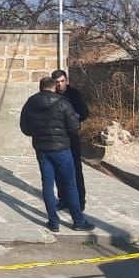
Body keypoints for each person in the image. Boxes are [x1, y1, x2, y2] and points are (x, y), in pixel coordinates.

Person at [20, 77, 94, 232]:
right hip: (62, 149)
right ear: (54, 87)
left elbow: (25, 129)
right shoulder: (63, 103)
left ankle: (53, 222)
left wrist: (39, 131)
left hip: (42, 149)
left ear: (40, 87)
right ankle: (78, 221)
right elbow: (74, 127)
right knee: (70, 184)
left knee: (47, 185)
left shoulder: (31, 102)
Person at [51, 69, 90, 212]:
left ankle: (80, 200)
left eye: (62, 81)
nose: (60, 84)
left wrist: (73, 117)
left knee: (76, 170)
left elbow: (84, 113)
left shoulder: (74, 94)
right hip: (57, 137)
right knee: (59, 170)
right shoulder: (51, 95)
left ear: (66, 80)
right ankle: (63, 199)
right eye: (57, 82)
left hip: (72, 137)